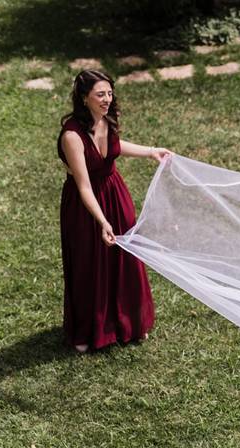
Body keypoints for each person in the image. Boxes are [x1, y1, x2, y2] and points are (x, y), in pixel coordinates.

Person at [57, 69, 169, 352]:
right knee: (89, 263)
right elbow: (83, 186)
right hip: (86, 207)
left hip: (115, 195)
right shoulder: (72, 135)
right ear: (84, 98)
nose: (107, 99)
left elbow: (116, 147)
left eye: (109, 93)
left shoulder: (107, 119)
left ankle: (128, 324)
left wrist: (150, 151)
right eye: (100, 95)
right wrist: (102, 221)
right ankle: (89, 331)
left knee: (125, 260)